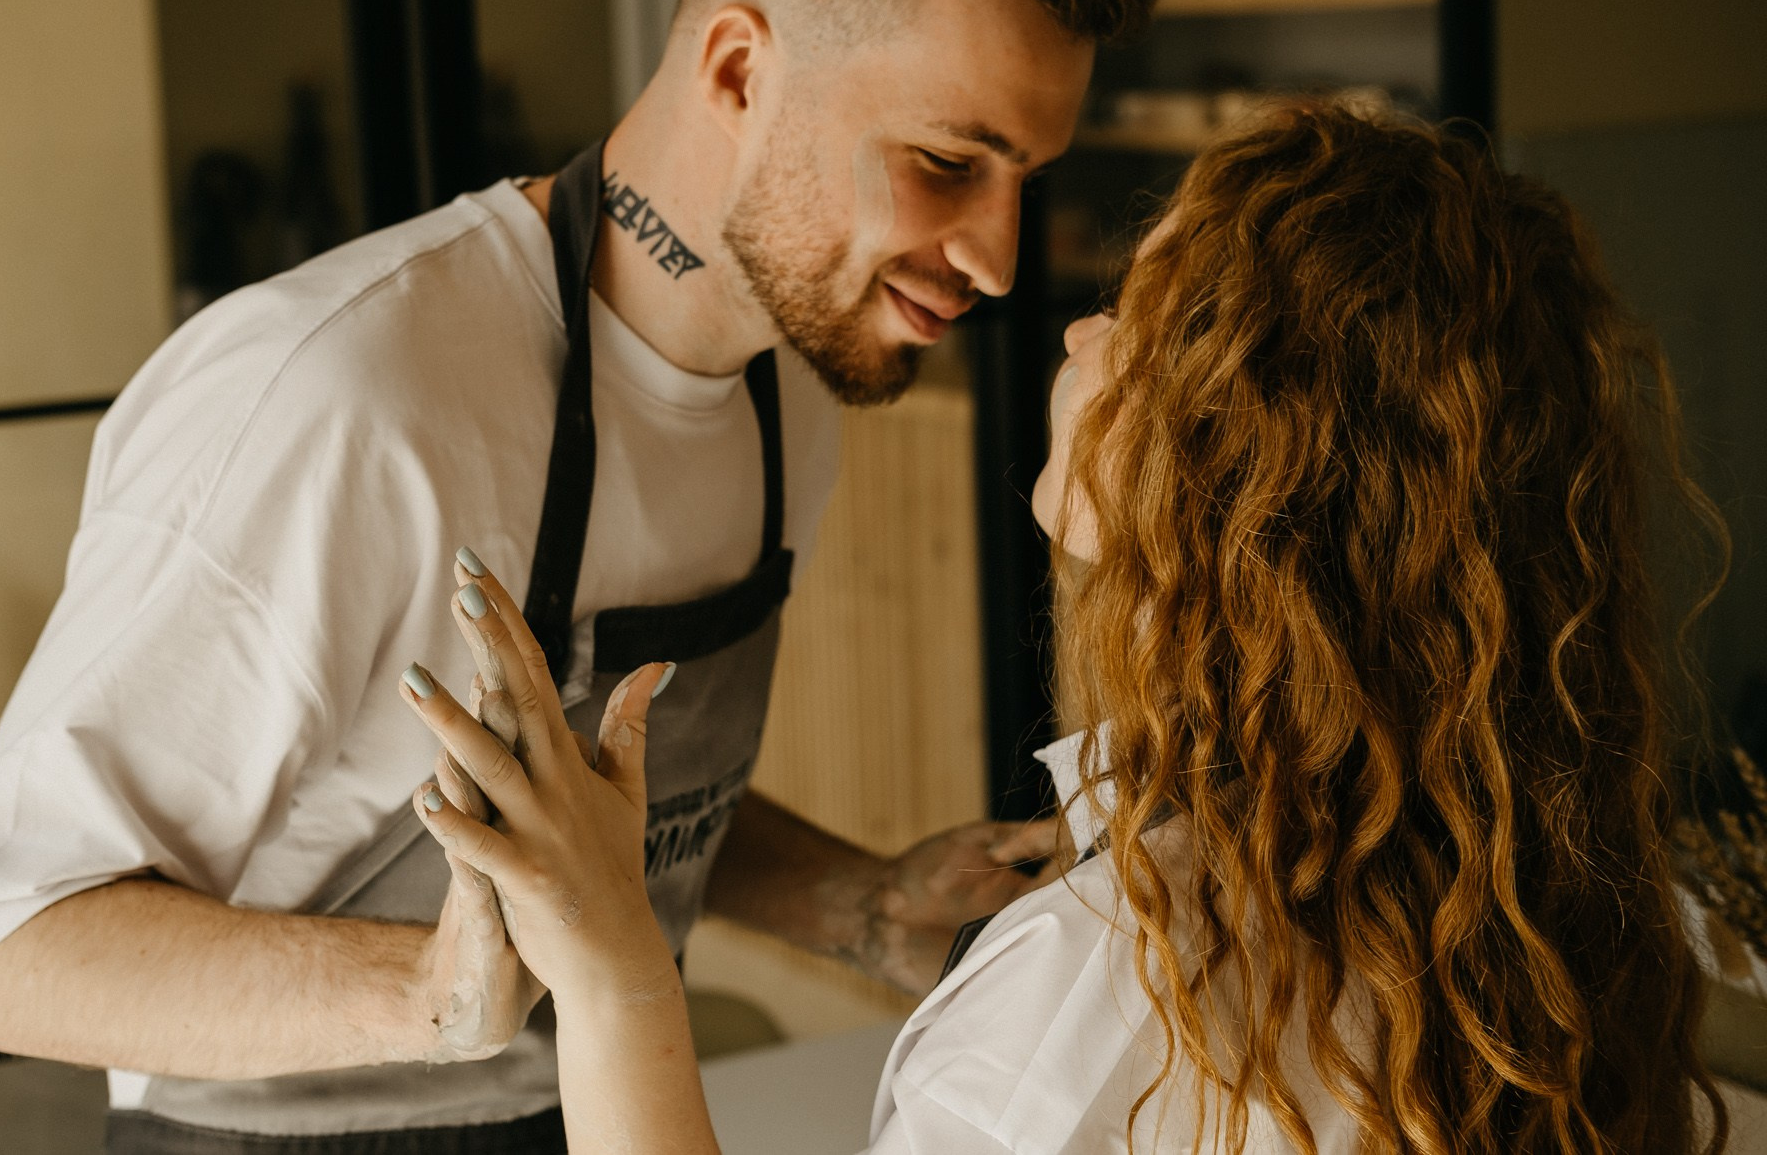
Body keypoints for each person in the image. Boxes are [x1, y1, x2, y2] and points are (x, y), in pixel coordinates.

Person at [0, 0, 1154, 1151]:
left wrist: (852, 901)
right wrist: (429, 991)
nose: (1001, 257)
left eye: (1029, 177)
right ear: (738, 69)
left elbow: (606, 807)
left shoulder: (794, 391)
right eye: (947, 164)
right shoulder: (341, 401)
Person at [408, 102, 1736, 1154]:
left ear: (1243, 471)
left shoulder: (1107, 986)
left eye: (1142, 319)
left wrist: (617, 979)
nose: (1080, 329)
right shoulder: (1570, 914)